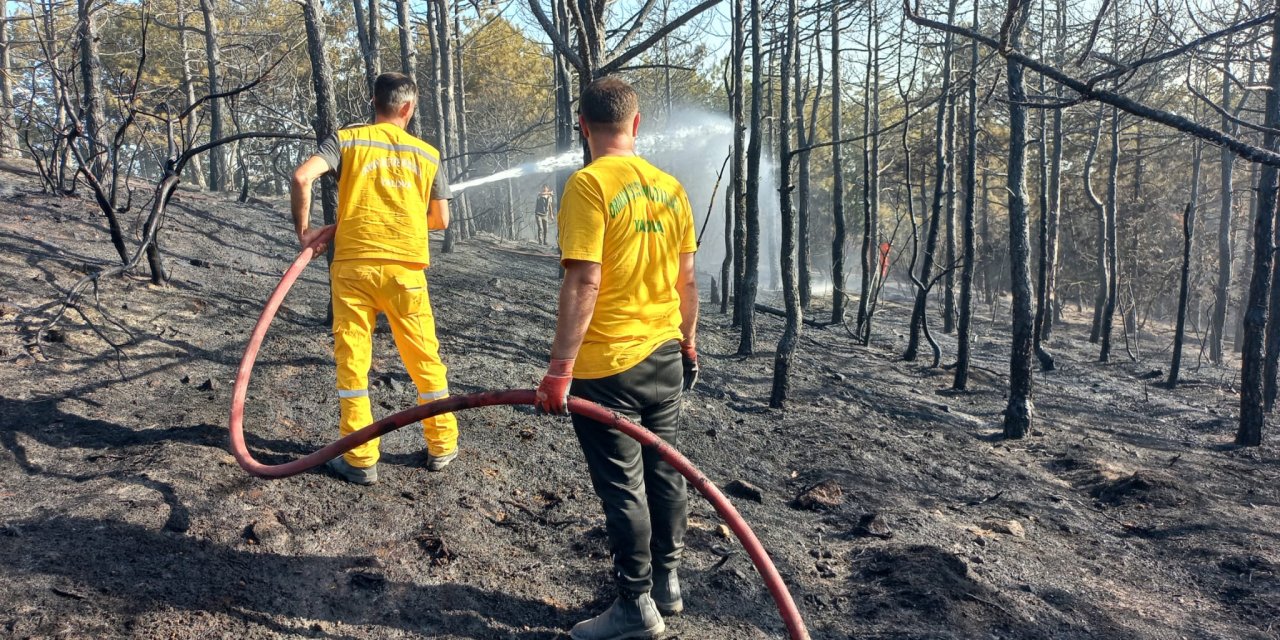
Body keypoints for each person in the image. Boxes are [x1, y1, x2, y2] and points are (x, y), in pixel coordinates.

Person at [535, 76, 700, 640]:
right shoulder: (672, 188)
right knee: (664, 470)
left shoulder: (587, 185)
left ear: (583, 127)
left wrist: (559, 370)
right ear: (636, 125)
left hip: (609, 368)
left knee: (625, 487)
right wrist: (688, 341)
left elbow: (584, 278)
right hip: (664, 355)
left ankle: (634, 606)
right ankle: (667, 583)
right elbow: (688, 280)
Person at [289, 72, 459, 485]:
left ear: (373, 102)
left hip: (354, 268)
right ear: (408, 108)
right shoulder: (427, 154)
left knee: (353, 361)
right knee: (424, 359)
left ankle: (360, 457)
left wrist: (306, 232)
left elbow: (301, 177)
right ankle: (442, 445)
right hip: (406, 272)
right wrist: (403, 207)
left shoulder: (347, 140)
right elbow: (440, 219)